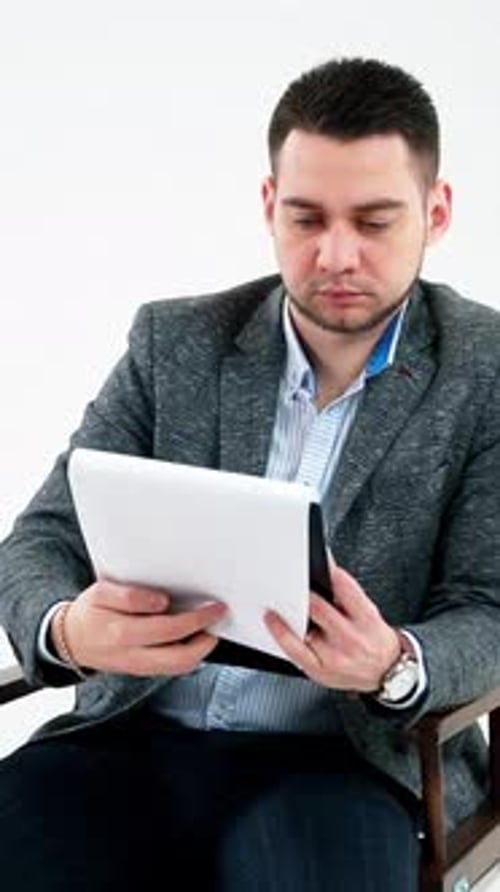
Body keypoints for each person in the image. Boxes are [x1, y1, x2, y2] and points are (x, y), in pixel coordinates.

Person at [0, 55, 499, 892]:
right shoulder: (175, 342)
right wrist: (65, 629)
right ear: (270, 205)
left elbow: (489, 608)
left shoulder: (484, 370)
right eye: (307, 218)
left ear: (435, 211)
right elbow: (41, 539)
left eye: (374, 222)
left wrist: (394, 664)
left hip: (341, 762)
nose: (336, 254)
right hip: (130, 740)